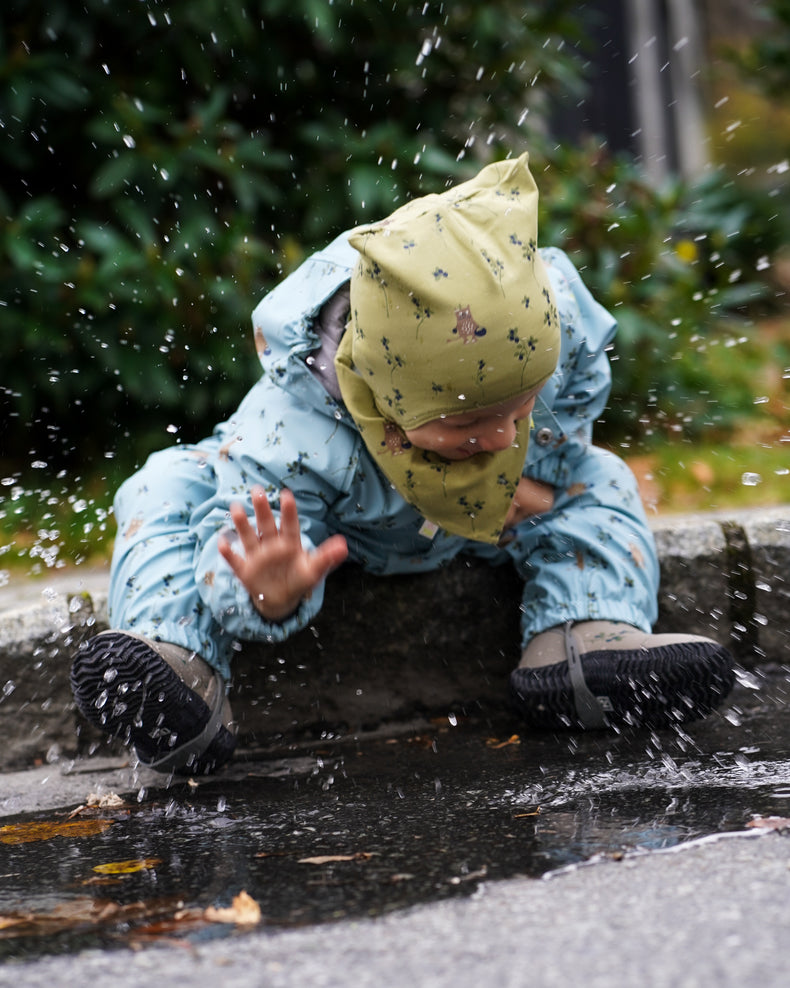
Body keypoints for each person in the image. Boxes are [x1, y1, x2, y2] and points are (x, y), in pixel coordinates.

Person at [70, 153, 735, 775]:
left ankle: (585, 642)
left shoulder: (539, 343)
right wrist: (269, 589)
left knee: (602, 479)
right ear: (386, 404)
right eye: (468, 423)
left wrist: (531, 484)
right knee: (165, 485)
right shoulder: (291, 429)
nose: (504, 436)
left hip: (489, 525)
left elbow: (563, 434)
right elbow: (246, 528)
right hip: (341, 535)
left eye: (521, 409)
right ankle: (178, 671)